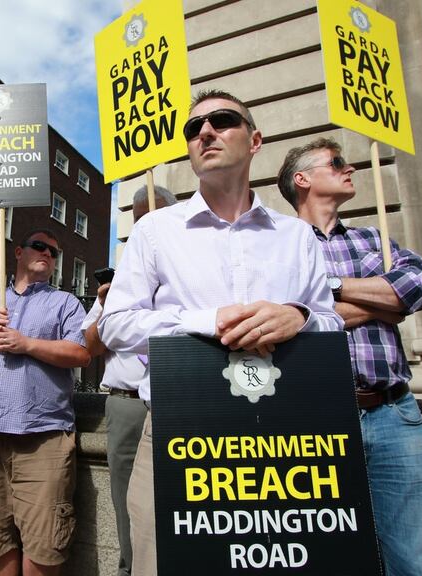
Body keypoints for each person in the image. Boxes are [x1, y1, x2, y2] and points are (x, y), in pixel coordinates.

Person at [98, 90, 342, 576]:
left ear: (254, 141)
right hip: (177, 431)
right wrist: (207, 323)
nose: (204, 132)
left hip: (285, 442)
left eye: (222, 121)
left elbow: (332, 323)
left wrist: (301, 317)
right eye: (193, 129)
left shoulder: (295, 236)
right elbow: (116, 324)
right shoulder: (154, 232)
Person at [279, 137, 422, 575]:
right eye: (336, 163)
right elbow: (278, 321)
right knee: (328, 560)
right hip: (313, 421)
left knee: (413, 563)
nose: (349, 169)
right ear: (303, 179)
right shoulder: (276, 245)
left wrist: (327, 289)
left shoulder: (375, 239)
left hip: (393, 414)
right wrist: (383, 302)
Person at [0, 228, 90, 576]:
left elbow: (81, 353)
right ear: (18, 253)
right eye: (39, 247)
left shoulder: (65, 303)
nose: (48, 254)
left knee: (45, 543)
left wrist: (27, 344)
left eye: (54, 252)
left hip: (42, 438)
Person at [82, 185, 176, 576]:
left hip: (175, 398)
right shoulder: (121, 280)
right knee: (125, 501)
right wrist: (105, 305)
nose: (145, 225)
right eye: (138, 220)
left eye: (152, 215)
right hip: (125, 402)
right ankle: (128, 567)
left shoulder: (183, 270)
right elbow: (91, 346)